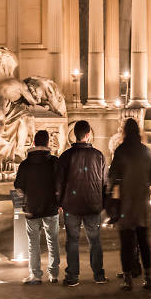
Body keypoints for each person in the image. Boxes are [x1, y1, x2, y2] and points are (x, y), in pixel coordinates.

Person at [108, 118, 151, 291]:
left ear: (125, 132)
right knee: (144, 242)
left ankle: (128, 279)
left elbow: (112, 177)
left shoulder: (121, 151)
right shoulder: (146, 151)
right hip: (142, 204)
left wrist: (111, 196)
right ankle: (148, 278)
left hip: (126, 204)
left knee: (126, 243)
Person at [57, 120, 108, 286]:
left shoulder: (65, 156)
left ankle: (72, 276)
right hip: (93, 204)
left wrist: (59, 202)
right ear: (88, 135)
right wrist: (103, 203)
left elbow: (59, 183)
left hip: (71, 205)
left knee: (72, 240)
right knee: (95, 240)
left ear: (75, 135)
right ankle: (98, 275)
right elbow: (105, 182)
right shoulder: (99, 155)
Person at [14, 130, 60, 285]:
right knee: (52, 240)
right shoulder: (54, 161)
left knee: (33, 243)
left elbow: (19, 188)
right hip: (51, 207)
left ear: (33, 143)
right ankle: (54, 274)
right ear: (48, 143)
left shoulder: (25, 164)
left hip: (32, 207)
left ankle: (36, 275)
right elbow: (60, 184)